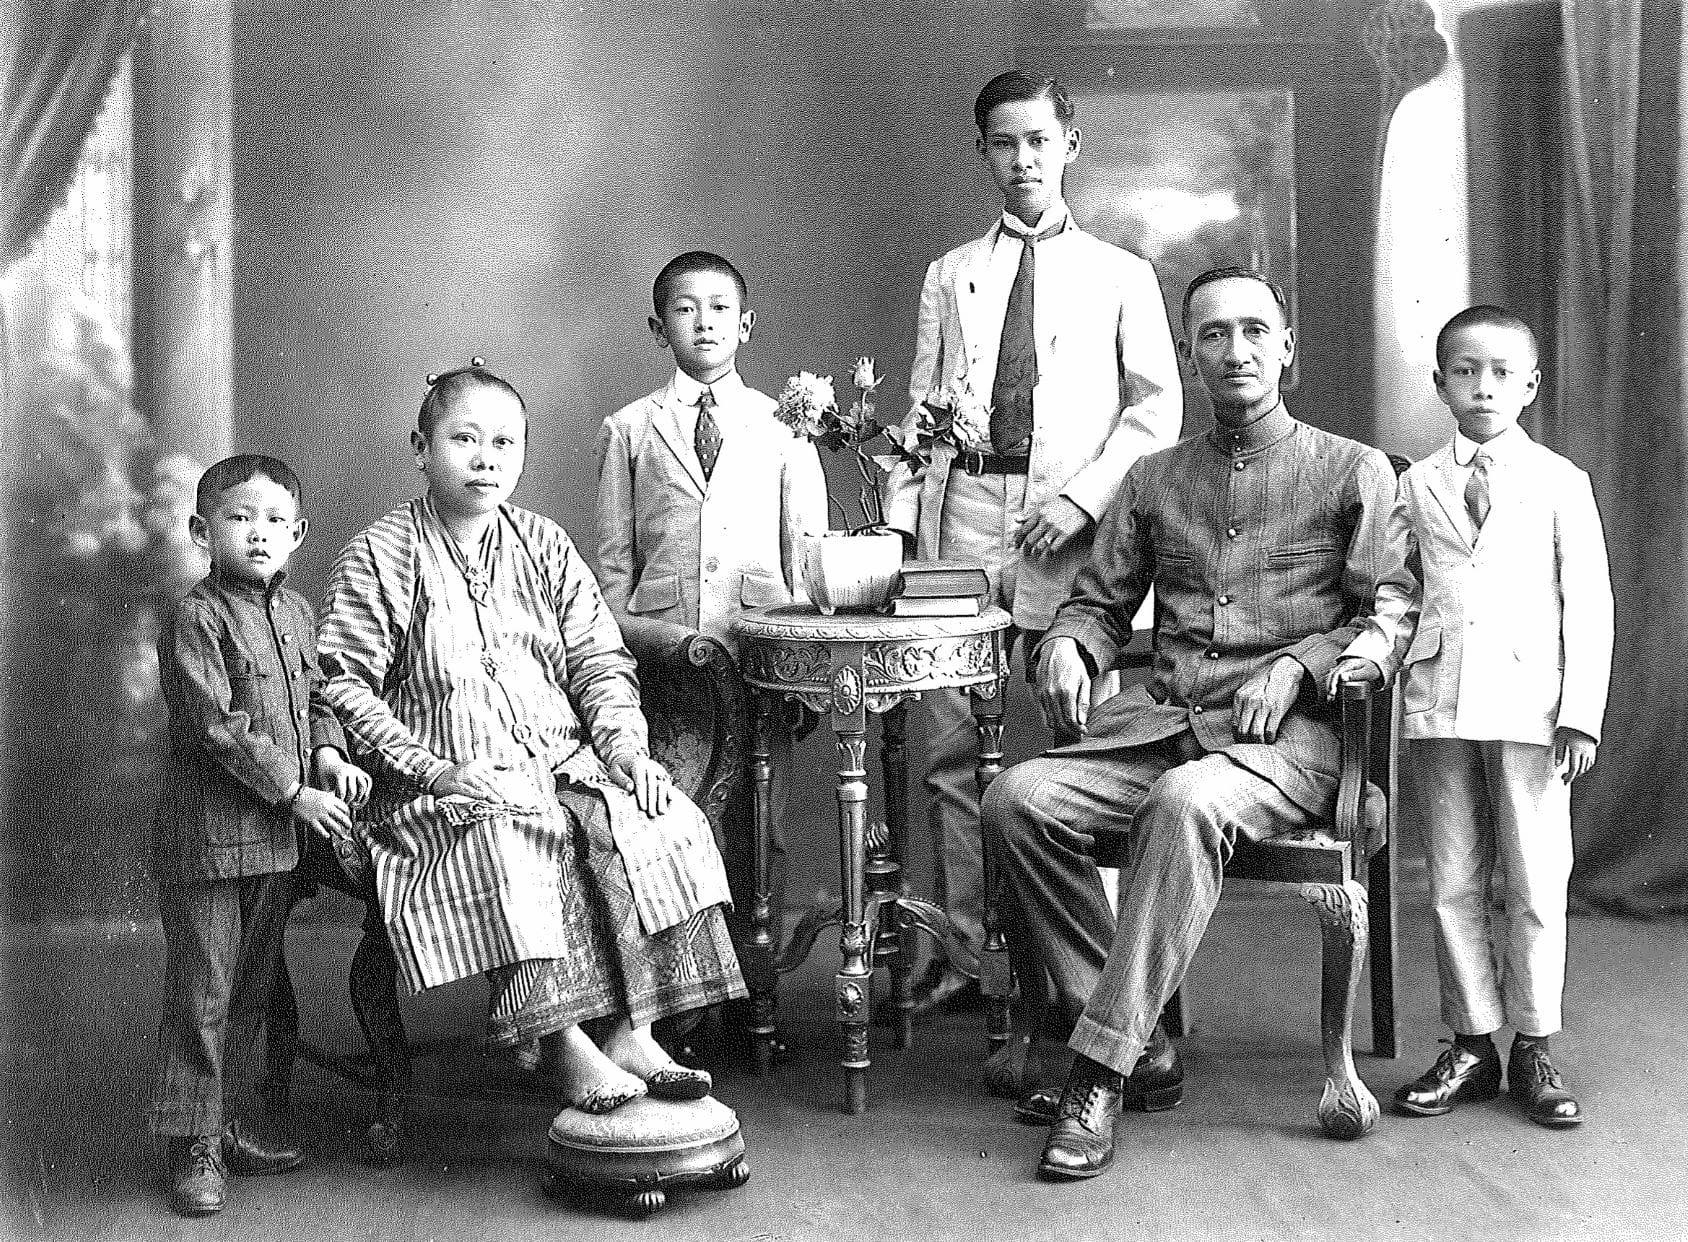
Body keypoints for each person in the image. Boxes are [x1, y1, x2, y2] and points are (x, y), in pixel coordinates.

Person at [981, 268, 1408, 1181]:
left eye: (1256, 331)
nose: (1236, 349)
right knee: (1017, 797)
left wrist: (1302, 664)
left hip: (1290, 748)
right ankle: (1138, 1037)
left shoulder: (1352, 469)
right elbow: (1099, 604)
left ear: (1286, 348)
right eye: (1214, 335)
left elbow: (1393, 616)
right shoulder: (1153, 477)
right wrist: (1071, 646)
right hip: (1165, 723)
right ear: (1188, 355)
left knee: (1183, 803)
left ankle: (1097, 1071)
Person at [317, 359, 744, 1121]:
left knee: (657, 819)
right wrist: (436, 771)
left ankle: (629, 1030)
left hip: (561, 759)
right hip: (437, 783)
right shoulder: (382, 553)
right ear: (421, 446)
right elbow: (342, 683)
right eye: (464, 440)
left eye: (504, 444)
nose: (486, 459)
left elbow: (601, 660)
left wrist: (626, 754)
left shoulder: (543, 544)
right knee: (524, 833)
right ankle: (561, 1041)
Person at [884, 70, 1182, 1014]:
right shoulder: (949, 273)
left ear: (1070, 147)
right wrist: (896, 535)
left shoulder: (1121, 274)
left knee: (1078, 738)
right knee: (947, 747)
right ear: (983, 153)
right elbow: (922, 411)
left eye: (1039, 143)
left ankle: (1082, 974)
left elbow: (1155, 411)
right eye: (1004, 144)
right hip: (963, 521)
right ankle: (966, 953)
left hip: (1072, 535)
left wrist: (1087, 501)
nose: (1023, 162)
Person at [1332, 306, 1613, 1128]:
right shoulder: (1415, 485)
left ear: (1530, 385)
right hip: (1441, 697)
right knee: (1452, 878)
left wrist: (1581, 714)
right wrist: (1372, 658)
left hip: (1534, 702)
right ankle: (1472, 1041)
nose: (1482, 386)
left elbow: (1588, 604)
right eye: (1465, 371)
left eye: (1500, 373)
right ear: (1440, 382)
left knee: (1533, 874)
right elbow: (1400, 592)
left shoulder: (1561, 482)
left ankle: (1534, 1042)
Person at [596, 252, 826, 1049]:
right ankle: (681, 997)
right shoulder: (630, 428)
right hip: (669, 665)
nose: (704, 323)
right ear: (659, 328)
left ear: (746, 324)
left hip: (758, 653)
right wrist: (627, 654)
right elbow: (615, 565)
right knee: (675, 820)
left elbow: (805, 554)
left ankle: (753, 992)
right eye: (686, 311)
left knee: (764, 824)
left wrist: (801, 662)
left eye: (720, 309)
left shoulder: (781, 424)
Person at [150, 454, 371, 1216]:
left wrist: (331, 755)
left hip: (273, 845)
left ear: (300, 534)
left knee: (249, 993)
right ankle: (192, 1145)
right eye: (240, 518)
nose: (258, 534)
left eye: (276, 521)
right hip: (209, 845)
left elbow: (317, 697)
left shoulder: (298, 613)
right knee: (203, 994)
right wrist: (294, 790)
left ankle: (227, 1121)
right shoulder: (196, 616)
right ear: (201, 530)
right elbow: (215, 727)